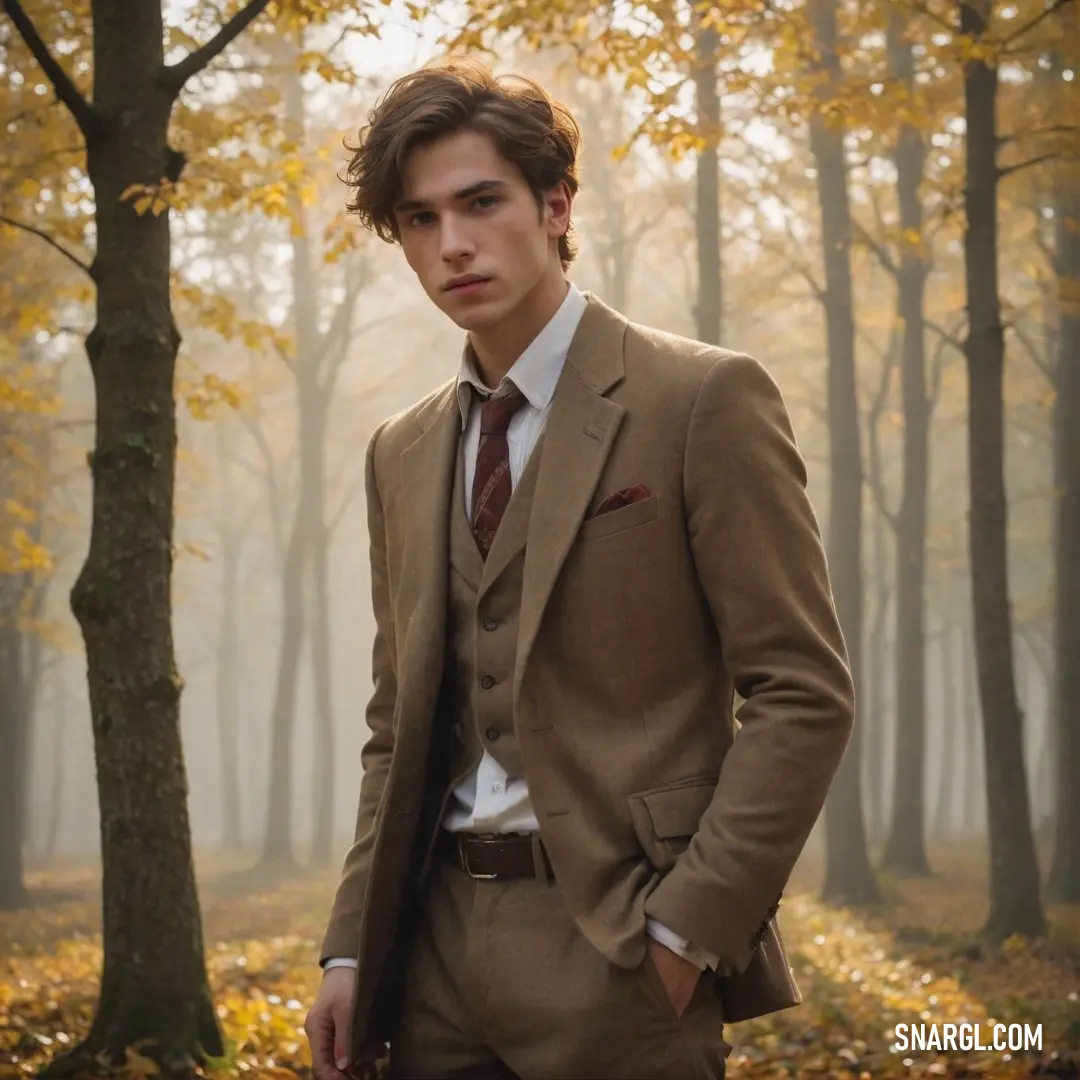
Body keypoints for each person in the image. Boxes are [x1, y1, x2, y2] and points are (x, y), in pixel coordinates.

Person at [304, 57, 855, 1080]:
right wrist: (351, 945)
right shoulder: (402, 450)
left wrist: (686, 934)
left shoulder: (702, 401)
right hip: (428, 958)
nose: (452, 244)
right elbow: (396, 731)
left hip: (618, 946)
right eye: (419, 221)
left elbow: (804, 694)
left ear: (556, 204)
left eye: (480, 202)